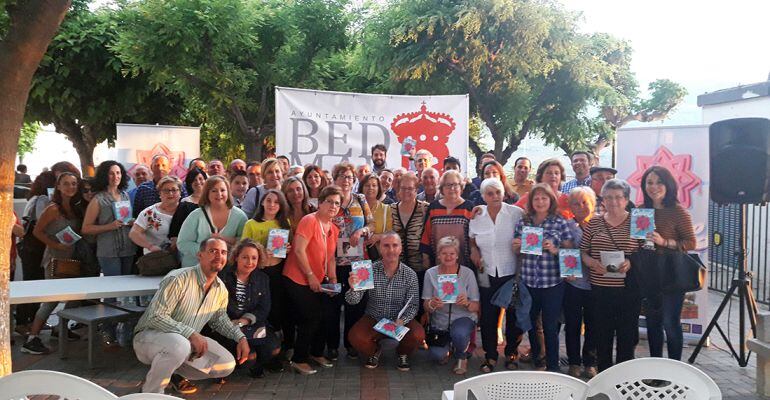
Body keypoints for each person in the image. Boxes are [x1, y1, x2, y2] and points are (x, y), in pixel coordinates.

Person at [133, 238, 250, 394]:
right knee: (179, 345)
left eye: (223, 252)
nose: (218, 256)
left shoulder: (220, 289)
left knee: (226, 365)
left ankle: (171, 370)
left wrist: (240, 337)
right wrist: (191, 333)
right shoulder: (178, 278)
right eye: (212, 251)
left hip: (183, 344)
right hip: (148, 338)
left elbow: (219, 320)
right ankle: (151, 393)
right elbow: (156, 316)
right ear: (199, 255)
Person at [580, 179, 641, 371]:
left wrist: (632, 262)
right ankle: (604, 376)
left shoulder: (639, 221)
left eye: (618, 197)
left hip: (628, 290)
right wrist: (592, 263)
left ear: (626, 200)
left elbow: (648, 252)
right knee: (602, 336)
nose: (613, 202)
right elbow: (582, 251)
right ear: (602, 200)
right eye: (608, 197)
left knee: (627, 337)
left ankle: (624, 378)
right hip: (600, 290)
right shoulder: (594, 222)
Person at [512, 183, 574, 372]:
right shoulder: (525, 221)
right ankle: (538, 360)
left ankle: (553, 366)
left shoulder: (559, 221)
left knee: (550, 326)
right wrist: (519, 245)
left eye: (544, 198)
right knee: (531, 323)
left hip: (552, 282)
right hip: (529, 280)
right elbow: (515, 248)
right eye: (536, 198)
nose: (540, 202)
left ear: (551, 200)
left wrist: (555, 250)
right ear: (531, 202)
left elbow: (570, 250)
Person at [21, 172, 85, 355]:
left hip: (71, 260)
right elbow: (37, 232)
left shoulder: (73, 207)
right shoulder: (53, 208)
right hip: (55, 259)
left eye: (74, 183)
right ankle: (32, 339)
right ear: (58, 186)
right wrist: (55, 244)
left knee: (74, 297)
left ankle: (60, 329)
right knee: (51, 301)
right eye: (66, 184)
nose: (71, 187)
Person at [282, 185, 341, 375]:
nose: (333, 206)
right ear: (320, 203)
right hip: (297, 278)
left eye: (337, 203)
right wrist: (310, 276)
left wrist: (332, 279)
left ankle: (316, 353)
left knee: (325, 315)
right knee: (311, 316)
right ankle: (298, 359)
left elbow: (331, 257)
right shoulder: (309, 220)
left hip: (317, 278)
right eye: (329, 201)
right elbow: (299, 250)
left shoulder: (333, 228)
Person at [639, 166, 696, 361]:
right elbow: (634, 242)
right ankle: (656, 369)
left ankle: (674, 369)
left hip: (671, 273)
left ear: (668, 185)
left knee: (670, 323)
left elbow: (690, 242)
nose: (654, 187)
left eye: (659, 182)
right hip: (648, 271)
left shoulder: (678, 211)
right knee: (652, 323)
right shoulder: (640, 211)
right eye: (649, 182)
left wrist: (664, 242)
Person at [469, 178, 525, 372]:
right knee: (488, 318)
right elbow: (472, 241)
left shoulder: (516, 213)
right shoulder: (477, 215)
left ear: (504, 193)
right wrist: (474, 251)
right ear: (483, 196)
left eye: (498, 192)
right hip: (486, 273)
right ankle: (490, 356)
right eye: (490, 193)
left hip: (511, 272)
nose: (494, 197)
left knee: (513, 316)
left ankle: (511, 353)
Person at [346, 232, 423, 371]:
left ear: (400, 249)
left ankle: (402, 353)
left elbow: (413, 305)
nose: (391, 250)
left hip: (398, 320)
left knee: (418, 335)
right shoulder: (369, 271)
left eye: (395, 245)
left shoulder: (410, 274)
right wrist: (353, 288)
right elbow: (353, 301)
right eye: (386, 246)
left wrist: (403, 320)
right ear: (380, 249)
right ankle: (374, 351)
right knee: (355, 336)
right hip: (374, 317)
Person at [209, 239, 280, 378]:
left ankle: (257, 364)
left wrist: (245, 320)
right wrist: (232, 323)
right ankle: (244, 365)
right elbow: (214, 306)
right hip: (227, 325)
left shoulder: (262, 278)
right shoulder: (222, 276)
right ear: (236, 257)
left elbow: (264, 308)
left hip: (251, 323)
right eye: (245, 257)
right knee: (249, 357)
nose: (249, 262)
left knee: (273, 349)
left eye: (254, 258)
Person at [328, 162, 374, 360]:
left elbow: (371, 223)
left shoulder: (360, 199)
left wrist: (361, 230)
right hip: (334, 263)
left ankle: (351, 344)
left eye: (349, 177)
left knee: (357, 306)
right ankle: (332, 346)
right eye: (342, 176)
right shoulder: (331, 200)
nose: (346, 181)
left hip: (361, 262)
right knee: (333, 306)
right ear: (335, 178)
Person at [242, 188, 294, 355]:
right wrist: (261, 252)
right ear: (262, 202)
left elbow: (290, 247)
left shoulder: (284, 223)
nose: (272, 204)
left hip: (279, 271)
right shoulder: (251, 224)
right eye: (269, 200)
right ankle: (264, 346)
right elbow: (244, 248)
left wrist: (287, 248)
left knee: (279, 308)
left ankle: (282, 346)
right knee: (264, 308)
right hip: (259, 273)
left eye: (276, 202)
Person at [423, 236, 480, 374]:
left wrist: (466, 303)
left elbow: (476, 306)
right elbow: (425, 305)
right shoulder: (431, 273)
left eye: (452, 254)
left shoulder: (467, 273)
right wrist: (432, 303)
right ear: (438, 255)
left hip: (462, 317)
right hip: (440, 320)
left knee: (459, 334)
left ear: (457, 255)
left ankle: (462, 356)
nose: (448, 257)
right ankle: (449, 347)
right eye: (444, 253)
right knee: (437, 355)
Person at [564, 186, 598, 378]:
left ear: (592, 203)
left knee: (593, 324)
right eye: (576, 203)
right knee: (572, 324)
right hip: (574, 283)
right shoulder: (567, 225)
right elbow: (564, 252)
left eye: (585, 202)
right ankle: (574, 362)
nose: (580, 206)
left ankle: (590, 362)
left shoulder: (601, 223)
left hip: (597, 282)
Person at [177, 176, 248, 267]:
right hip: (196, 268)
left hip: (227, 270)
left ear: (228, 191)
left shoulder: (240, 216)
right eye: (214, 191)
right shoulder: (196, 215)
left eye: (222, 190)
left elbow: (243, 242)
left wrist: (223, 239)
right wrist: (207, 251)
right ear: (207, 193)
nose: (219, 194)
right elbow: (182, 243)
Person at [82, 161, 136, 276]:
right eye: (111, 173)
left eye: (118, 173)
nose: (115, 176)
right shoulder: (98, 199)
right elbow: (86, 228)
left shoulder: (125, 195)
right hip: (108, 251)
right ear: (104, 176)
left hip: (128, 249)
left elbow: (127, 217)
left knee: (127, 288)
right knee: (114, 288)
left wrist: (132, 222)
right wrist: (109, 226)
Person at [420, 170, 475, 269]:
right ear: (442, 188)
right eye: (448, 185)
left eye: (455, 184)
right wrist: (425, 258)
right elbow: (426, 236)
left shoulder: (469, 207)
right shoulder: (434, 207)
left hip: (464, 265)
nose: (452, 188)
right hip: (437, 264)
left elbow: (474, 238)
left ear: (461, 187)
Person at [390, 172, 429, 288]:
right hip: (396, 269)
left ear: (416, 190)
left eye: (410, 188)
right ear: (398, 189)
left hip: (420, 268)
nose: (406, 191)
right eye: (403, 188)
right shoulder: (390, 210)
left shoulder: (425, 208)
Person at [129, 176, 182, 254]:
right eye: (166, 190)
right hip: (158, 259)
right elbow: (134, 233)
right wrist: (150, 246)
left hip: (184, 258)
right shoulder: (150, 213)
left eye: (174, 190)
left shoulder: (187, 210)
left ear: (180, 192)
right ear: (160, 193)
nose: (170, 193)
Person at [168, 168, 208, 248]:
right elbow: (177, 225)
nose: (198, 182)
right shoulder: (185, 202)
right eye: (194, 180)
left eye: (200, 179)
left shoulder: (212, 199)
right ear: (190, 183)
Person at [360, 173, 392, 261]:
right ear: (361, 188)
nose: (370, 188)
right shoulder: (355, 208)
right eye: (367, 185)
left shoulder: (386, 209)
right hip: (357, 257)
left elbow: (392, 234)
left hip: (379, 256)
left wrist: (378, 237)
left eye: (374, 185)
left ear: (379, 188)